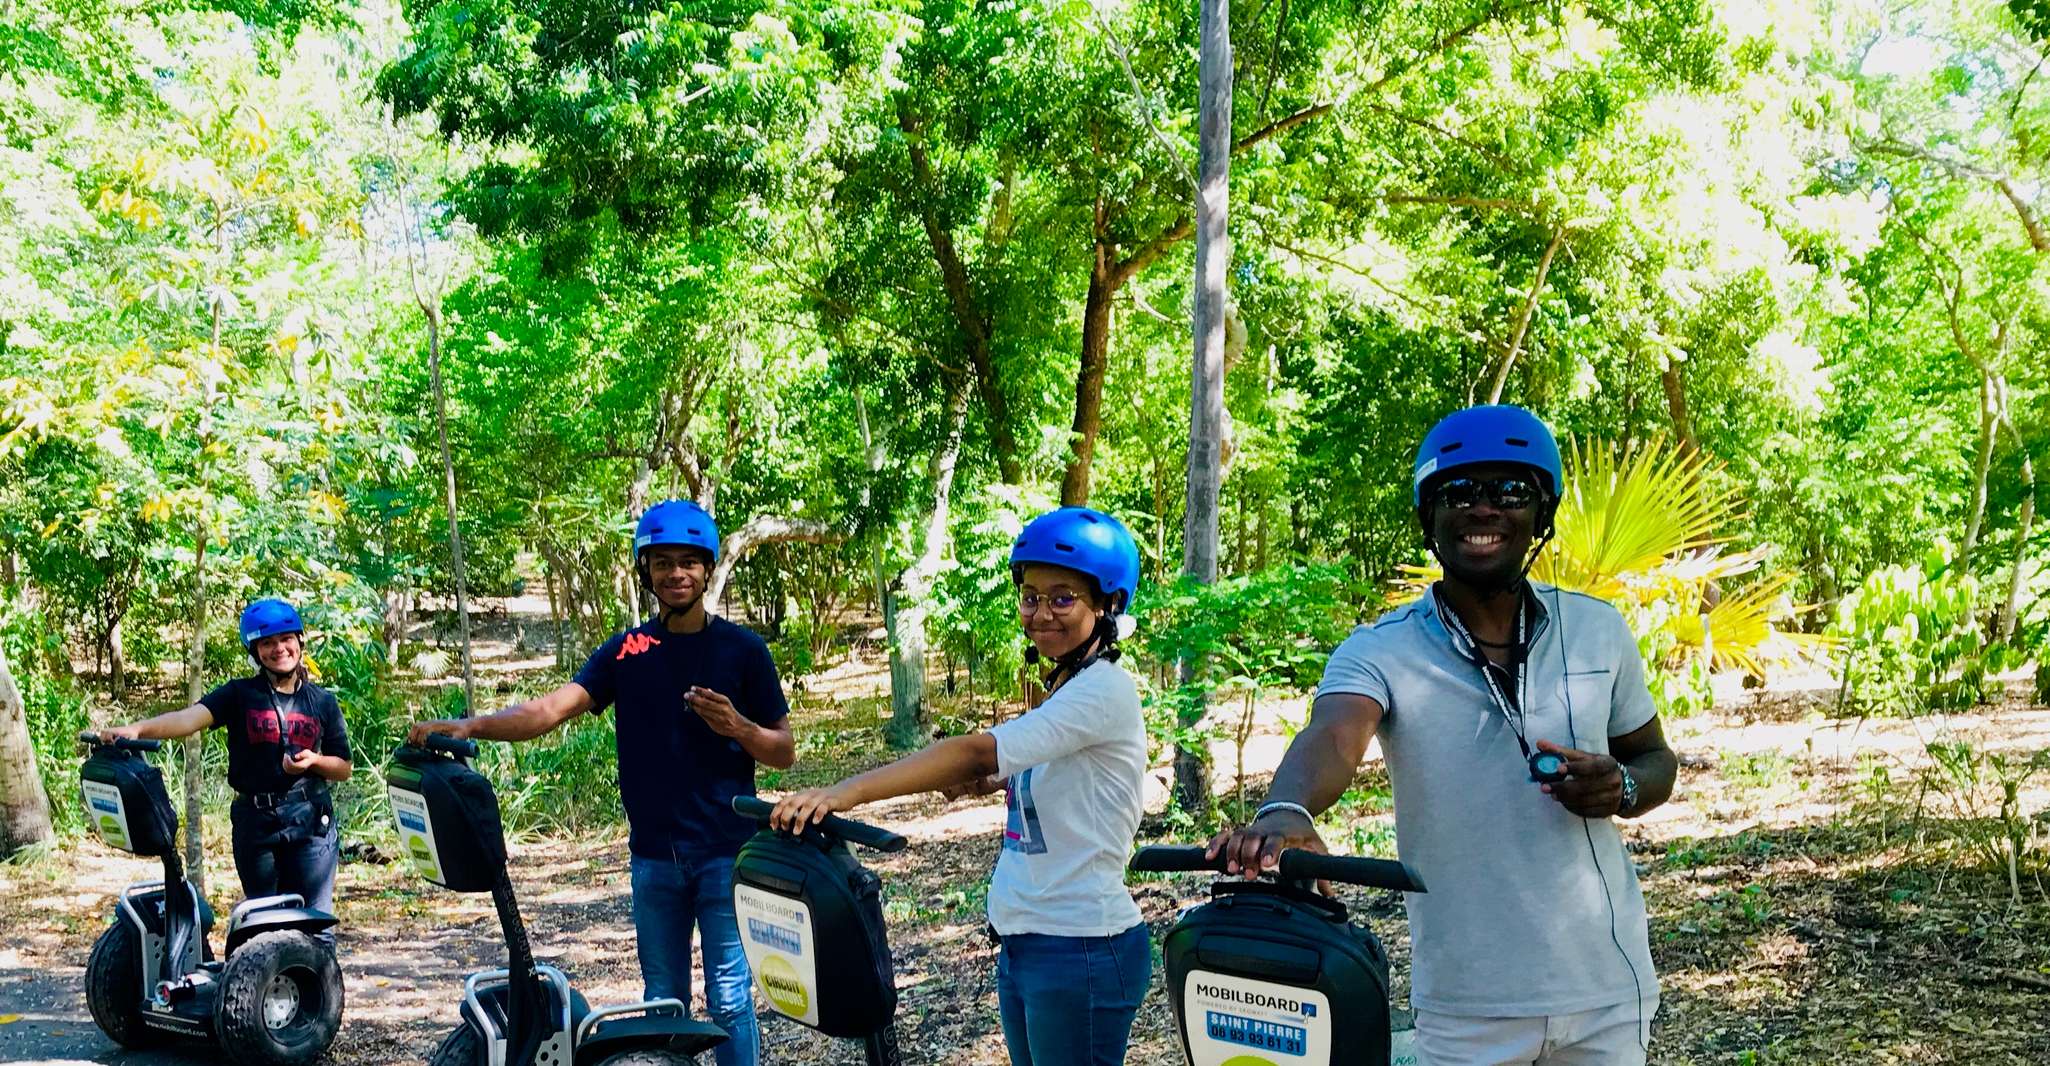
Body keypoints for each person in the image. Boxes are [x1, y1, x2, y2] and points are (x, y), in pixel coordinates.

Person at [1207, 404, 1679, 1065]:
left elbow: (1654, 759)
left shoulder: (1599, 630)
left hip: (1607, 989)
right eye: (1457, 493)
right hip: (1467, 1004)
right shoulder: (1381, 650)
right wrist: (1286, 811)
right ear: (1429, 518)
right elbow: (1334, 736)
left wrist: (1622, 786)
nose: (1483, 509)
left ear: (1541, 515)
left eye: (1510, 491)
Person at [409, 499, 793, 1066]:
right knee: (663, 1002)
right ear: (647, 572)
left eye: (689, 561)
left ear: (708, 568)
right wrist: (470, 725)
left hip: (725, 853)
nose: (676, 573)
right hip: (654, 859)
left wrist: (738, 727)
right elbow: (549, 711)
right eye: (662, 562)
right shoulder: (628, 651)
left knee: (730, 1000)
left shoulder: (743, 651)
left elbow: (783, 752)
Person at [771, 506, 1151, 1066]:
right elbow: (1050, 778)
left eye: (1063, 597)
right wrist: (987, 783)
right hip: (1029, 940)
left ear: (1108, 605)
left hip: (1081, 947)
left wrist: (842, 793)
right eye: (1031, 596)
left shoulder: (1104, 691)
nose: (1041, 612)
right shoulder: (1070, 688)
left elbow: (976, 749)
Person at [100, 598, 352, 944]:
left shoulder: (322, 701)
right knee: (263, 923)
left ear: (299, 641)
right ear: (255, 651)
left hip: (310, 822)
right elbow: (189, 719)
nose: (279, 649)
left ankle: (318, 995)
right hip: (255, 822)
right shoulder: (240, 694)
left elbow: (343, 768)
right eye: (267, 643)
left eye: (286, 639)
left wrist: (314, 761)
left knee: (315, 925)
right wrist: (136, 730)